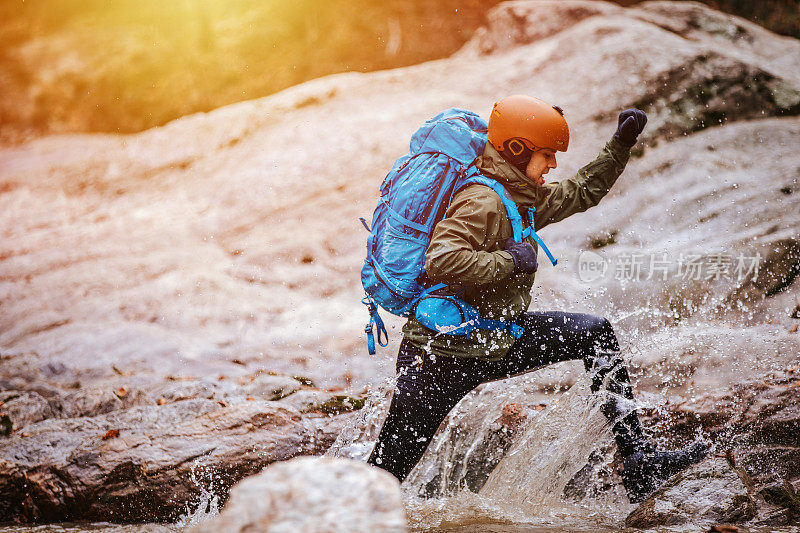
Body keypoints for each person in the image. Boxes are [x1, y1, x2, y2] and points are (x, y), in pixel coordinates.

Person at [366, 95, 708, 503]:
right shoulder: (483, 201)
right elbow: (442, 259)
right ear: (516, 150)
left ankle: (638, 461)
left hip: (495, 341)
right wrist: (509, 260)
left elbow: (581, 192)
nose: (553, 165)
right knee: (385, 471)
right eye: (547, 155)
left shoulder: (520, 196)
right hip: (439, 357)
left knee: (595, 334)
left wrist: (619, 145)